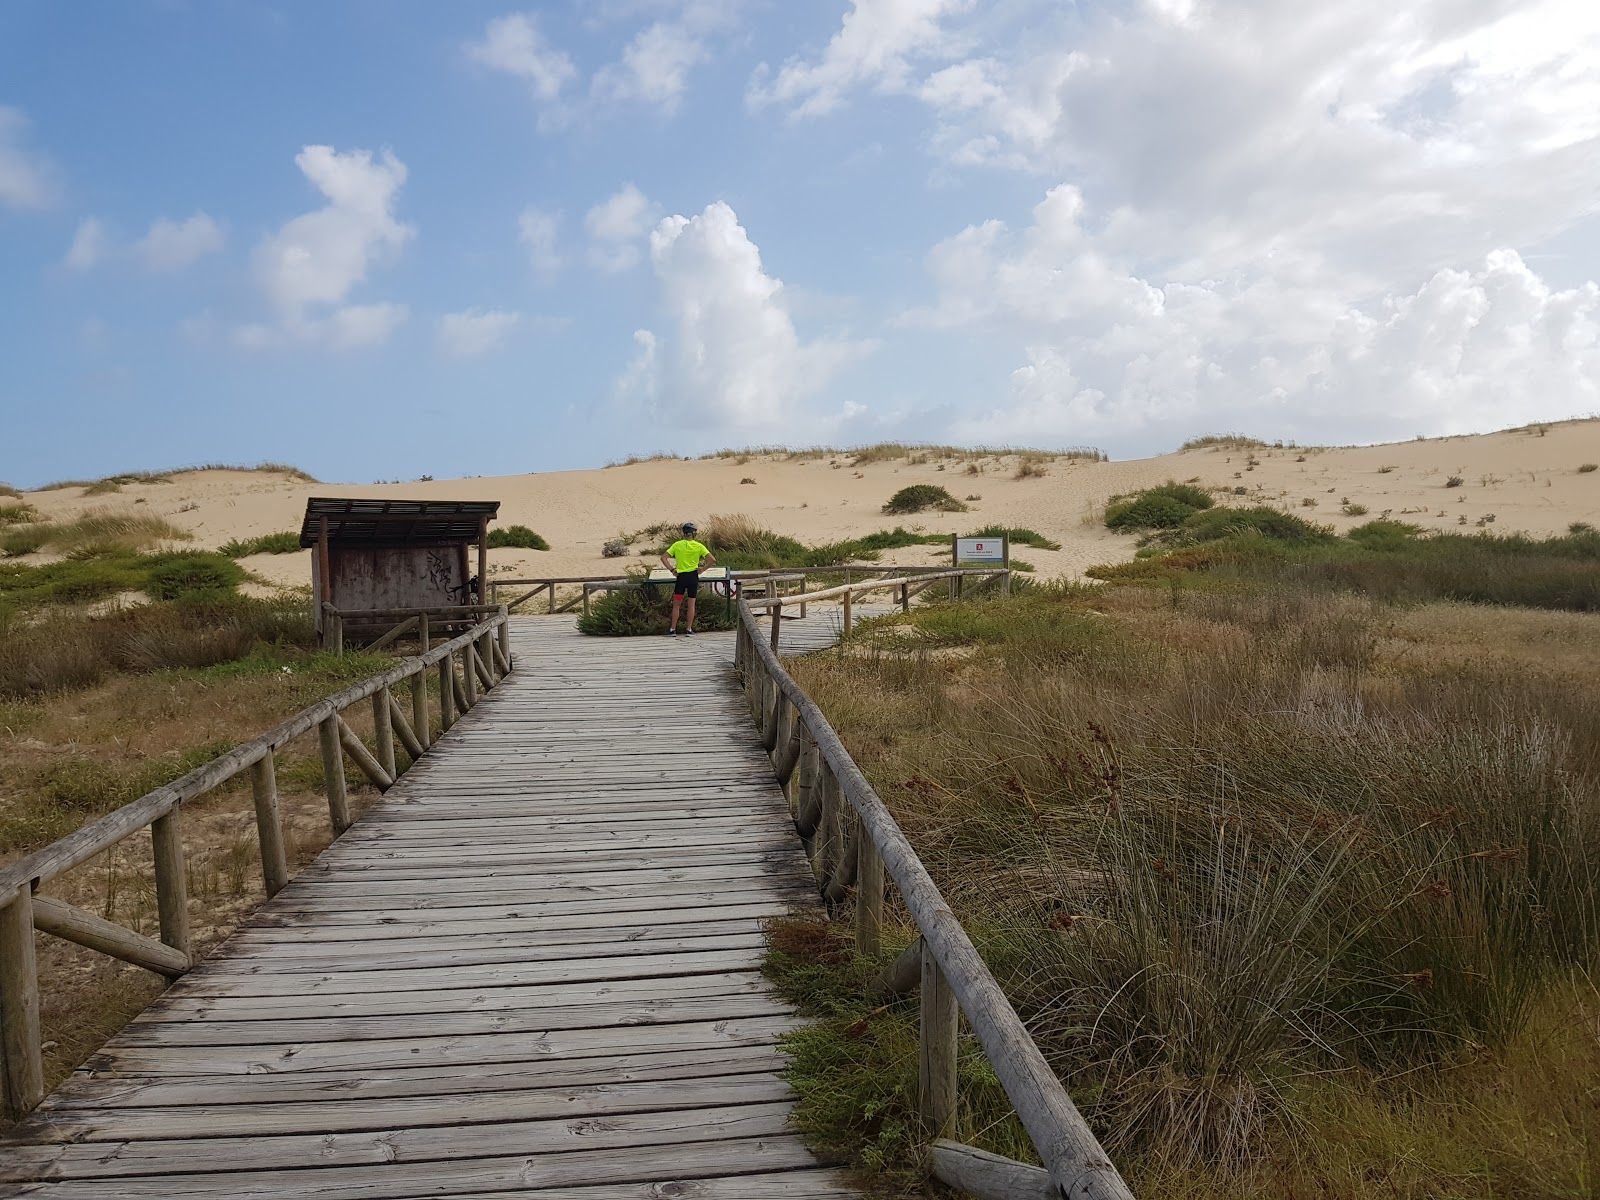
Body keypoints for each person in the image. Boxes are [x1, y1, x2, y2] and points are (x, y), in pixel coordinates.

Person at [660, 522, 716, 635]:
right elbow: (712, 560)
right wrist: (702, 569)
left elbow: (663, 557)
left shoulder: (677, 545)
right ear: (693, 533)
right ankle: (689, 629)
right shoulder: (699, 546)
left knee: (676, 604)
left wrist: (672, 570)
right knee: (691, 604)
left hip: (681, 577)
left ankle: (672, 629)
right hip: (693, 577)